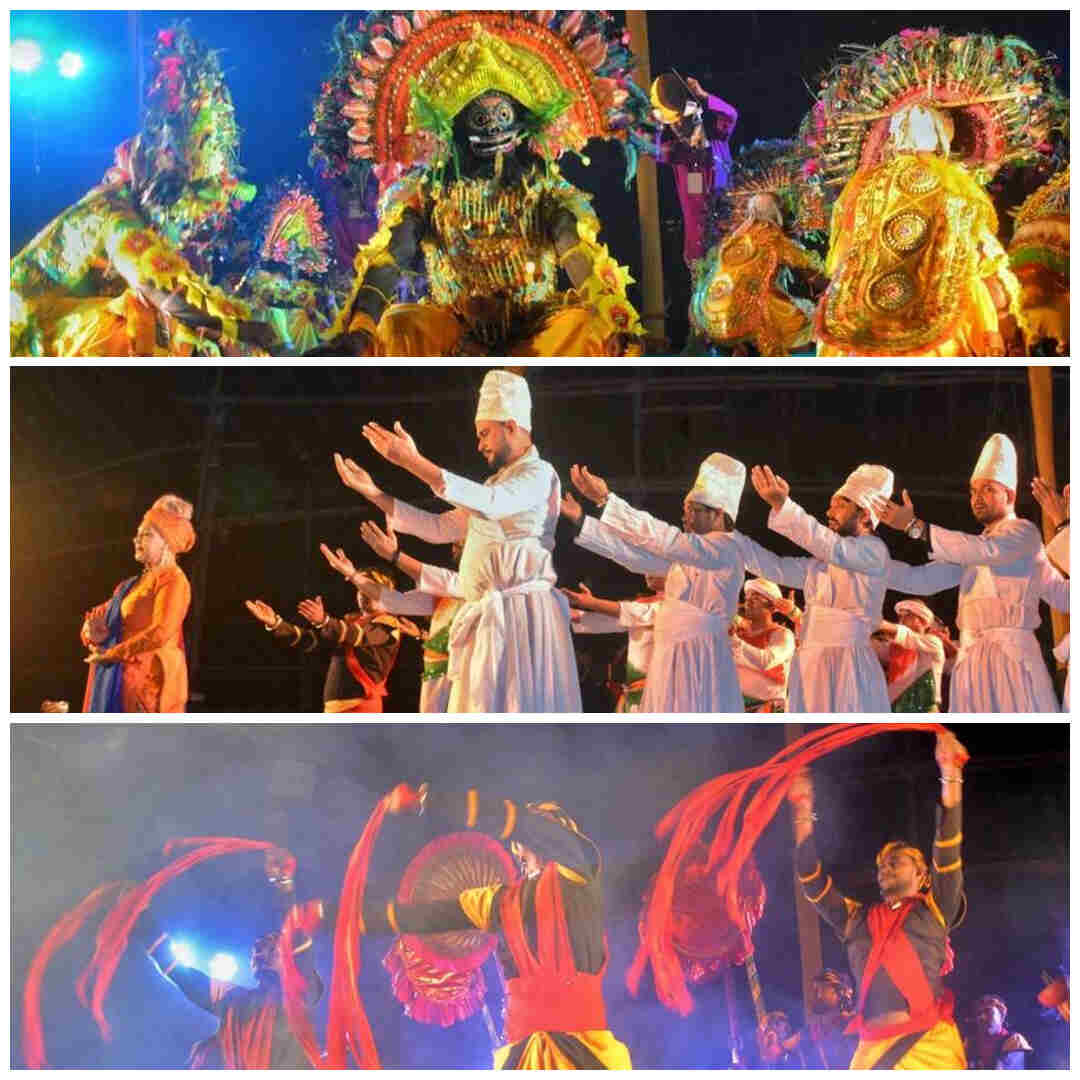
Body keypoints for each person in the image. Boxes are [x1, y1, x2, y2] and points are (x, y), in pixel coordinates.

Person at [311, 11, 651, 356]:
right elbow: (393, 255)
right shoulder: (427, 194)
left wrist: (615, 320)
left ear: (521, 124)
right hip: (454, 330)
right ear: (456, 128)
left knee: (590, 330)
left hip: (535, 327)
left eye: (503, 117)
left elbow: (574, 249)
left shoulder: (543, 188)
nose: (493, 129)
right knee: (398, 327)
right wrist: (361, 328)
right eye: (480, 119)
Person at [799, 31, 1064, 357]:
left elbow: (848, 245)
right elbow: (974, 239)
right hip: (937, 303)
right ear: (944, 137)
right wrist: (996, 271)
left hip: (864, 305)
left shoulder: (869, 184)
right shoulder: (953, 182)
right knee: (988, 299)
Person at [10, 26, 271, 357]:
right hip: (25, 322)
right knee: (130, 317)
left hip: (69, 309)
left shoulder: (146, 222)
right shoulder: (114, 213)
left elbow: (177, 287)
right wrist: (238, 329)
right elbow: (156, 290)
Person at [335, 370, 581, 712]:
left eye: (485, 433)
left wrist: (412, 461)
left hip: (521, 617)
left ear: (511, 425)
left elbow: (492, 502)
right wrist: (373, 492)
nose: (479, 444)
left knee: (517, 710)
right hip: (490, 618)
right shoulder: (497, 484)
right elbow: (438, 527)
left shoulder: (538, 474)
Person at [349, 784, 632, 1069]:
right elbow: (425, 916)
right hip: (522, 1055)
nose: (526, 845)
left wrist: (431, 800)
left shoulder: (578, 875)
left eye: (538, 834)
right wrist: (342, 918)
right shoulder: (500, 901)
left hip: (583, 1053)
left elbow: (525, 826)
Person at [789, 728, 969, 1069]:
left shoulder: (934, 909)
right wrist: (803, 808)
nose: (885, 868)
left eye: (896, 862)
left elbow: (947, 844)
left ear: (922, 875)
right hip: (870, 1054)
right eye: (882, 865)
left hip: (929, 1049)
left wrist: (950, 771)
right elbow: (811, 879)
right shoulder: (856, 918)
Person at [880, 434, 1060, 712]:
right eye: (973, 491)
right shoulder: (974, 549)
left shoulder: (1023, 533)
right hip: (971, 661)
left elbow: (986, 551)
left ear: (1009, 494)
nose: (977, 498)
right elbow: (921, 580)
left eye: (987, 489)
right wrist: (866, 565)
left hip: (1011, 660)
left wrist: (915, 527)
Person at [566, 453, 748, 712]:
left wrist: (605, 501)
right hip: (668, 659)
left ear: (718, 514)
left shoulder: (727, 550)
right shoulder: (684, 557)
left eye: (694, 511)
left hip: (703, 658)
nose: (687, 519)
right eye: (686, 511)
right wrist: (581, 521)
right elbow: (631, 554)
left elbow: (657, 535)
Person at [139, 849, 323, 1068]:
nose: (258, 947)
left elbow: (295, 933)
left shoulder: (301, 992)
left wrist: (283, 883)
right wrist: (141, 920)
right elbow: (181, 973)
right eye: (257, 947)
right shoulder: (233, 1000)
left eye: (271, 943)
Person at [737, 463, 895, 712]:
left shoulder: (874, 552)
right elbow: (775, 566)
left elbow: (828, 545)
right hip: (810, 663)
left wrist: (782, 505)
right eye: (831, 505)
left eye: (840, 505)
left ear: (865, 515)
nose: (829, 512)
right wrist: (731, 539)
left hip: (849, 665)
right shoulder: (821, 564)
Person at [691, 141, 825, 355]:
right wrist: (830, 286)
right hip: (751, 321)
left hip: (709, 318)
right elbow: (810, 270)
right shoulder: (772, 237)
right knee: (807, 324)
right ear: (777, 212)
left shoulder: (733, 238)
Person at [320, 531, 464, 714]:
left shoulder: (467, 586)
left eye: (461, 543)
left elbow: (434, 529)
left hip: (472, 675)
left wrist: (394, 555)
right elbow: (395, 600)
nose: (455, 547)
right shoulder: (446, 592)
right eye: (458, 543)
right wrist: (353, 575)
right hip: (439, 674)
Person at [81, 495, 195, 712]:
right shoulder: (130, 586)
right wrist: (89, 631)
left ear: (167, 542)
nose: (136, 540)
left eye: (146, 535)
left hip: (150, 687)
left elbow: (161, 632)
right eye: (137, 535)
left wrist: (112, 654)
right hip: (123, 681)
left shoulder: (173, 580)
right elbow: (98, 615)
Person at [244, 570, 413, 712]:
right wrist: (275, 623)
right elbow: (312, 641)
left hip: (362, 707)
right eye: (361, 590)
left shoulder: (389, 624)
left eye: (371, 589)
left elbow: (359, 636)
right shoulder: (347, 625)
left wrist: (324, 620)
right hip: (334, 709)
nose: (364, 595)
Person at [652, 73, 738, 266]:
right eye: (675, 124)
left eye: (688, 119)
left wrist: (703, 95)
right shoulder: (683, 157)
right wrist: (656, 122)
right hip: (701, 255)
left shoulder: (718, 139)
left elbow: (731, 114)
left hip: (734, 244)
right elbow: (654, 151)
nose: (680, 126)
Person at [559, 565, 666, 713]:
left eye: (653, 564)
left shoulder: (675, 608)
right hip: (635, 694)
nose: (647, 572)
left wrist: (591, 603)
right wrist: (570, 613)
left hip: (660, 695)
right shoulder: (643, 605)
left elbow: (633, 613)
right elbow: (612, 619)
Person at [730, 577, 795, 712]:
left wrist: (733, 641)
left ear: (771, 606)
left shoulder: (782, 634)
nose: (748, 600)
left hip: (769, 711)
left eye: (755, 597)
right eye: (747, 596)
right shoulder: (739, 633)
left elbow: (766, 660)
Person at [871, 599, 947, 712]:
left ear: (921, 618)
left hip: (924, 709)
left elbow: (907, 635)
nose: (900, 620)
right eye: (899, 616)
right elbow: (871, 647)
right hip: (896, 709)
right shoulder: (893, 647)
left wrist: (874, 622)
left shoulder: (933, 643)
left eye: (906, 615)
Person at [801, 969, 858, 1068]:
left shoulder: (851, 1023)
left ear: (838, 992)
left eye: (820, 989)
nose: (815, 995)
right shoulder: (813, 1030)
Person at [965, 994, 1033, 1069]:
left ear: (1001, 1015)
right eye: (979, 1013)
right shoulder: (971, 1042)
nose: (981, 1017)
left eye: (988, 1011)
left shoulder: (1015, 1041)